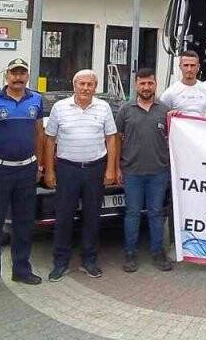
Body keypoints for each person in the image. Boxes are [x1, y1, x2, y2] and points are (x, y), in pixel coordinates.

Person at [0, 58, 46, 294]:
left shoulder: (36, 99)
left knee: (24, 223)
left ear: (27, 76)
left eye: (22, 73)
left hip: (27, 170)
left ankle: (22, 270)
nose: (18, 77)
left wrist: (39, 166)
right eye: (14, 73)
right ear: (6, 75)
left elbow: (40, 134)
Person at [44, 69, 119, 281]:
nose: (85, 88)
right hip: (67, 169)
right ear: (74, 85)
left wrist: (111, 169)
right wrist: (49, 170)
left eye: (90, 84)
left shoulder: (103, 108)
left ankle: (89, 261)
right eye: (82, 84)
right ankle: (60, 262)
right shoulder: (60, 108)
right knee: (64, 217)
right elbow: (49, 140)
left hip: (95, 169)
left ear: (95, 87)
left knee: (92, 217)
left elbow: (111, 138)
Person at [115, 68, 173, 273]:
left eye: (150, 83)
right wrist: (116, 168)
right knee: (132, 214)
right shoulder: (125, 110)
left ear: (155, 84)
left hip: (159, 172)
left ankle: (158, 253)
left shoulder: (165, 111)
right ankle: (130, 253)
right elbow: (117, 140)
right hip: (132, 172)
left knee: (157, 214)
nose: (146, 87)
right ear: (136, 85)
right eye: (142, 84)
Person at [159, 50, 206, 118]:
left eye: (192, 65)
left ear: (198, 67)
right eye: (186, 65)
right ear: (180, 66)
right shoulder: (169, 93)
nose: (189, 69)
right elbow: (161, 116)